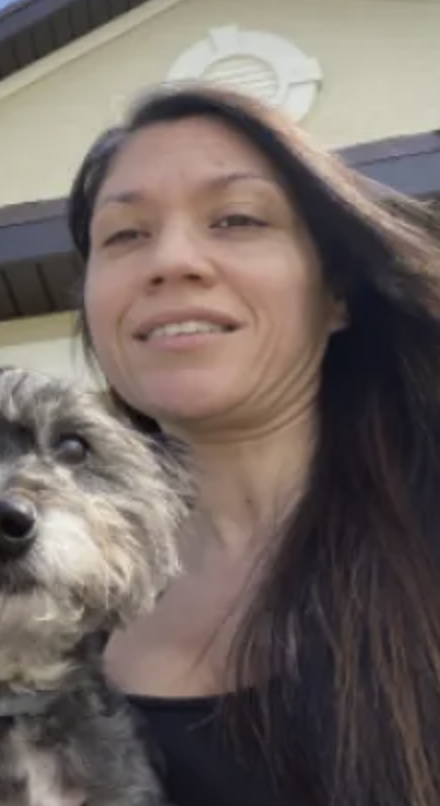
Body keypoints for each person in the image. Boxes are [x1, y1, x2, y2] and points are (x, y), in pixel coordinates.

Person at [65, 84, 440, 806]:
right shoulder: (44, 590)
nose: (170, 260)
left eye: (236, 219)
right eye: (125, 235)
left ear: (335, 294)